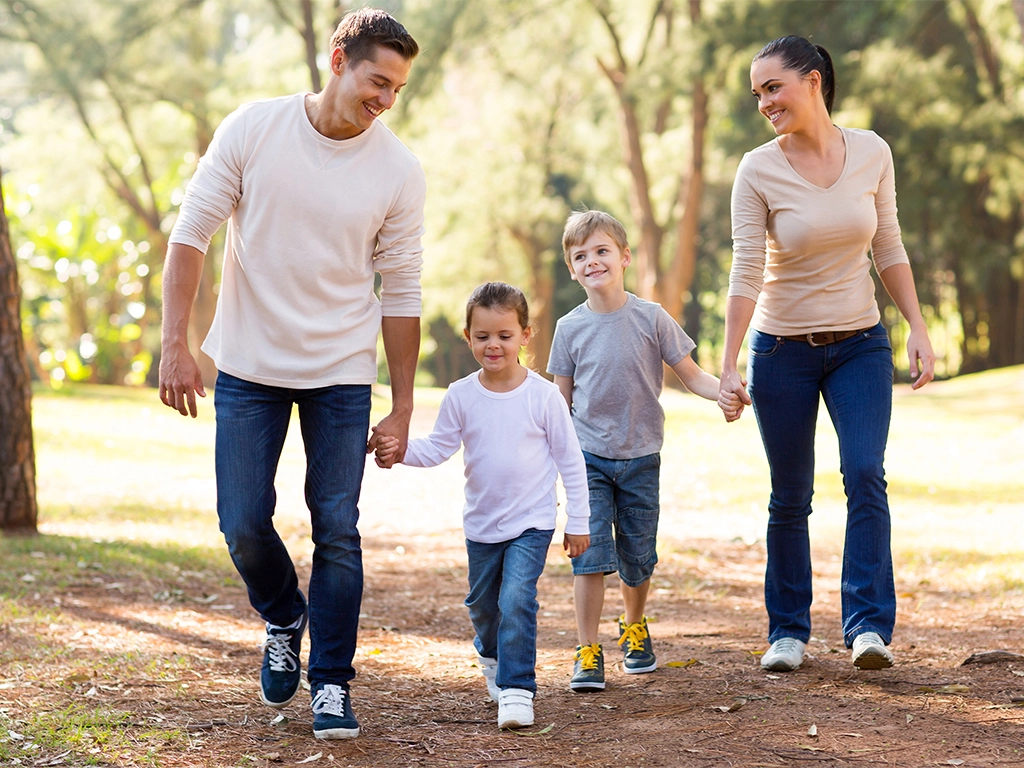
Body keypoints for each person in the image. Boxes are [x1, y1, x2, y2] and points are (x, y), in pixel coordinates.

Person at [157, 8, 424, 740]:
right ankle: (283, 613)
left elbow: (402, 293)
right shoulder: (254, 128)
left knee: (337, 528)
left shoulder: (398, 169)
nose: (386, 101)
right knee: (242, 522)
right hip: (247, 363)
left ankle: (332, 683)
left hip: (340, 370)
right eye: (378, 81)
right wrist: (174, 342)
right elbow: (192, 234)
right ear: (337, 61)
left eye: (399, 89)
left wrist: (400, 406)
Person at [720, 35, 936, 673]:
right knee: (790, 494)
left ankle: (868, 625)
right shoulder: (756, 169)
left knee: (865, 473)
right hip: (781, 350)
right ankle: (788, 631)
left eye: (773, 87)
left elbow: (888, 247)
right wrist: (729, 363)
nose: (764, 102)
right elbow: (745, 273)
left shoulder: (872, 152)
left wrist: (917, 324)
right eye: (758, 92)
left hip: (860, 345)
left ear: (813, 81)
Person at [374, 282, 591, 729]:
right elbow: (438, 447)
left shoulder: (544, 396)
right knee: (483, 605)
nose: (494, 345)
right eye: (483, 336)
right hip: (482, 525)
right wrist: (398, 451)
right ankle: (491, 655)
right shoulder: (461, 395)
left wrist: (578, 520)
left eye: (505, 335)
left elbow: (571, 461)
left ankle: (516, 688)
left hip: (532, 522)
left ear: (525, 336)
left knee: (516, 599)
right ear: (468, 338)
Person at [546, 210, 738, 693]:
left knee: (637, 555)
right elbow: (559, 401)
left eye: (602, 250)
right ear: (572, 269)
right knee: (588, 557)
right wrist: (546, 460)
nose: (592, 261)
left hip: (642, 457)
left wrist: (726, 392)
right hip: (587, 458)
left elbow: (692, 375)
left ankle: (633, 626)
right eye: (581, 255)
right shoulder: (569, 329)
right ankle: (587, 649)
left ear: (625, 257)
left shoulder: (651, 318)